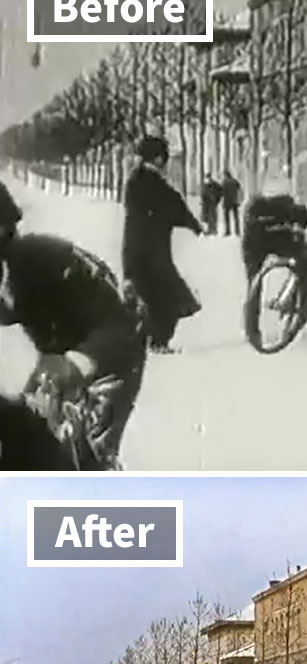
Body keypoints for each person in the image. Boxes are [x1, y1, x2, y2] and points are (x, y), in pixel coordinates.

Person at [0, 180, 146, 469]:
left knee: (79, 455)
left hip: (108, 357)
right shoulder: (19, 262)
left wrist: (74, 363)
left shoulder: (37, 261)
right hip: (64, 358)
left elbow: (119, 325)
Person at [122, 135, 203, 353]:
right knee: (167, 299)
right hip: (152, 252)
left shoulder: (138, 179)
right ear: (158, 159)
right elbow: (172, 205)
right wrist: (192, 223)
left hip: (139, 250)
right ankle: (157, 341)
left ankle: (151, 340)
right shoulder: (150, 182)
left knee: (155, 298)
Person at [241, 192, 307, 324]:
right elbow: (302, 222)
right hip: (272, 240)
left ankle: (251, 325)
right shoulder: (289, 207)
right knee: (304, 261)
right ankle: (305, 303)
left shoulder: (255, 208)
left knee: (253, 282)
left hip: (254, 245)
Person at [221, 170, 243, 237]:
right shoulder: (235, 181)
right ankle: (237, 231)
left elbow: (222, 192)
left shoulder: (225, 182)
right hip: (235, 201)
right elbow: (240, 189)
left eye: (224, 175)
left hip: (227, 201)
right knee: (236, 216)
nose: (223, 176)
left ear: (226, 175)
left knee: (227, 217)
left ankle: (228, 231)